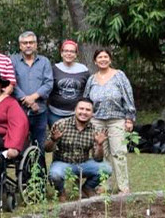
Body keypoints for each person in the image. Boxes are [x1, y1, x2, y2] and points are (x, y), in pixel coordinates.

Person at [84, 49, 136, 195]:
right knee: (101, 154)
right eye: (99, 57)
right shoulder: (92, 79)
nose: (103, 59)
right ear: (95, 61)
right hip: (97, 121)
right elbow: (86, 99)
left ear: (110, 59)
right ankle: (103, 185)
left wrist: (129, 118)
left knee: (119, 152)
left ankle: (123, 187)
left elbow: (128, 96)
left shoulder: (119, 76)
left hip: (117, 120)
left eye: (105, 57)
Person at [45, 99, 111, 201]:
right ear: (75, 110)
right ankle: (61, 191)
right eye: (81, 108)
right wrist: (53, 140)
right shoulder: (61, 124)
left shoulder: (95, 130)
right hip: (63, 163)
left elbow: (98, 159)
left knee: (106, 169)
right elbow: (47, 149)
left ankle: (87, 188)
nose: (84, 112)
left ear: (92, 113)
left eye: (88, 110)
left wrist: (99, 145)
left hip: (83, 164)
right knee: (55, 175)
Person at [11, 31, 53, 148]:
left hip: (40, 110)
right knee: (20, 144)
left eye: (31, 42)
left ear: (36, 45)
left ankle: (39, 166)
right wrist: (26, 100)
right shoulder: (12, 61)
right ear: (20, 46)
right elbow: (11, 83)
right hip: (19, 110)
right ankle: (22, 167)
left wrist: (33, 98)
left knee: (39, 145)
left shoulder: (44, 61)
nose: (28, 45)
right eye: (25, 43)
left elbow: (48, 83)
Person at [48, 40, 90, 126]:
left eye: (72, 51)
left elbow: (88, 91)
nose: (69, 53)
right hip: (55, 113)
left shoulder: (84, 70)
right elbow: (48, 88)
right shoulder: (54, 69)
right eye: (66, 51)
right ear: (61, 53)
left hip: (77, 114)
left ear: (76, 54)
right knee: (56, 138)